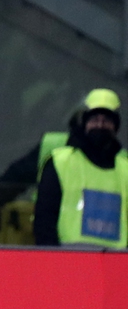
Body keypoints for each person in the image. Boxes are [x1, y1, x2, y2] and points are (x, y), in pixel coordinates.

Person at [34, 89, 128, 248]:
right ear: (84, 123)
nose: (100, 125)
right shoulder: (60, 162)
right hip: (69, 262)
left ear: (115, 126)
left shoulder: (125, 169)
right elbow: (44, 220)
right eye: (94, 119)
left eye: (106, 120)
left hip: (116, 265)